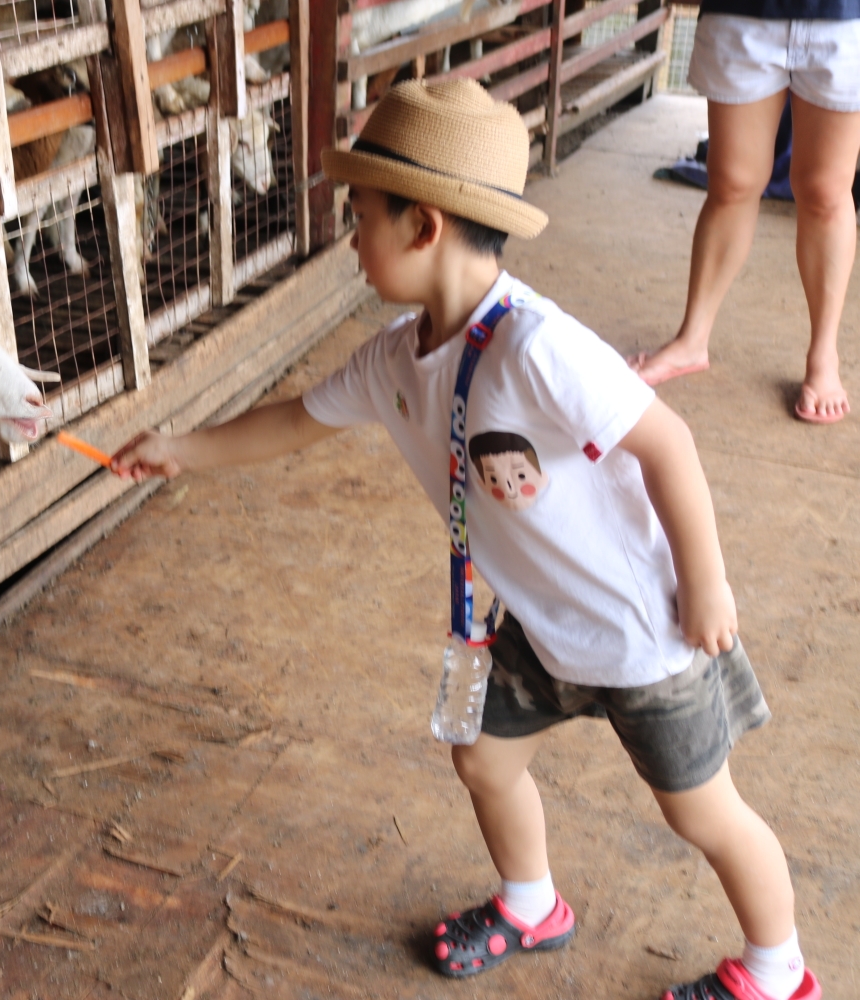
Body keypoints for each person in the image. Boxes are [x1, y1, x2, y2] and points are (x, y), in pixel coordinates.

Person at [111, 80, 820, 1000]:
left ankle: (779, 969)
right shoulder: (397, 358)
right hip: (539, 624)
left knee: (703, 813)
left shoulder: (537, 348)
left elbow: (668, 444)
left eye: (361, 216)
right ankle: (532, 904)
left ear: (425, 226)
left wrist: (709, 585)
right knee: (483, 757)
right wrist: (179, 451)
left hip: (647, 631)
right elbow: (295, 421)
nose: (351, 239)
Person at [629, 3, 860, 423]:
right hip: (743, 10)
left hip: (845, 18)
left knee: (826, 192)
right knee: (731, 184)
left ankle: (824, 354)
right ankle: (692, 339)